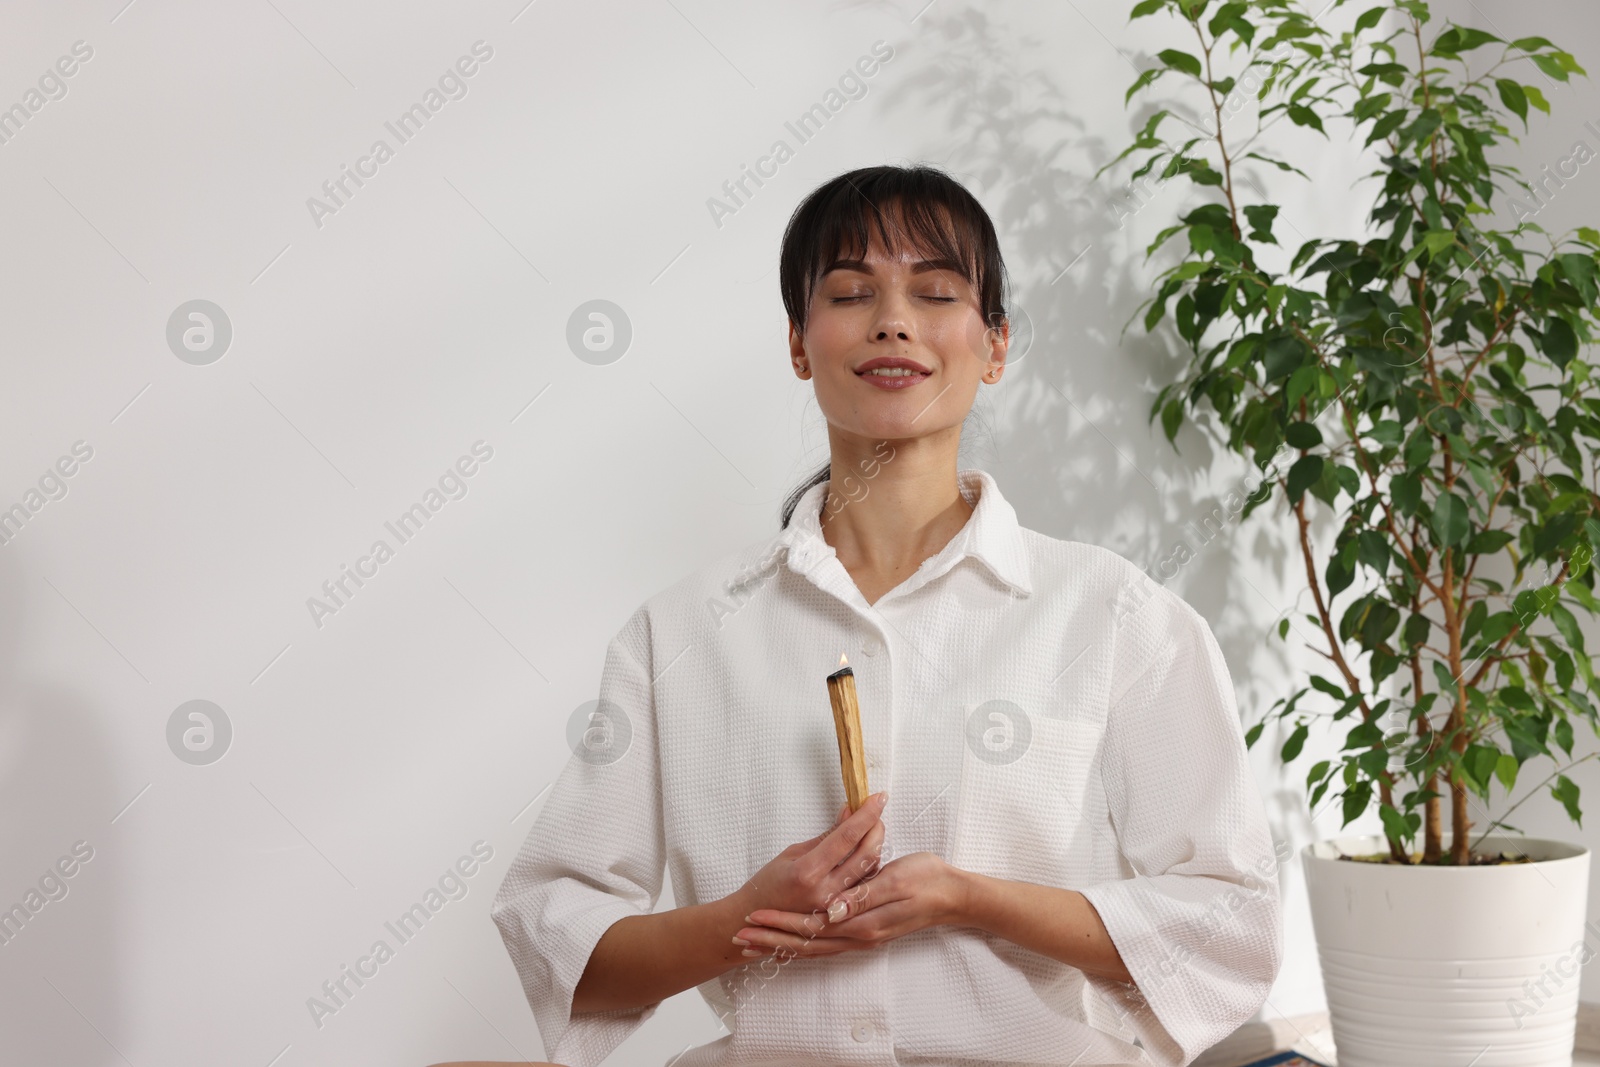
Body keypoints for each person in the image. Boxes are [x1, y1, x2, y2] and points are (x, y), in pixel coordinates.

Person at [459, 164, 1282, 1067]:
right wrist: (744, 921)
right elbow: (562, 947)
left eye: (935, 292)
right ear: (799, 343)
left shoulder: (1115, 614)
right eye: (851, 292)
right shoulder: (683, 630)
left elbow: (1230, 920)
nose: (893, 318)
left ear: (996, 345)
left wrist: (974, 897)